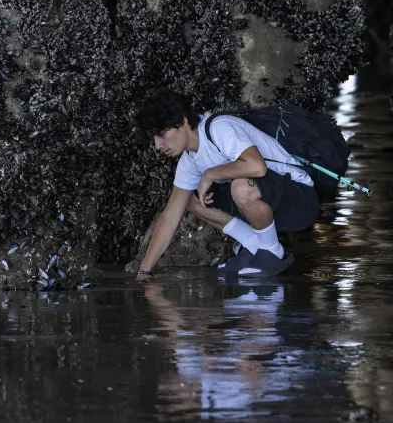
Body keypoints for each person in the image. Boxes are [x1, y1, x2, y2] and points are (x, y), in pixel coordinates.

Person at [134, 88, 320, 280]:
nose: (157, 145)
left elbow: (257, 167)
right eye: (153, 138)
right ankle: (253, 245)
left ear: (183, 121)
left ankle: (272, 252)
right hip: (271, 208)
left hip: (300, 200)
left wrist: (209, 175)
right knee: (187, 199)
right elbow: (170, 216)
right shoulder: (188, 161)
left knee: (240, 186)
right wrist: (144, 271)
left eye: (162, 134)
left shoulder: (219, 128)